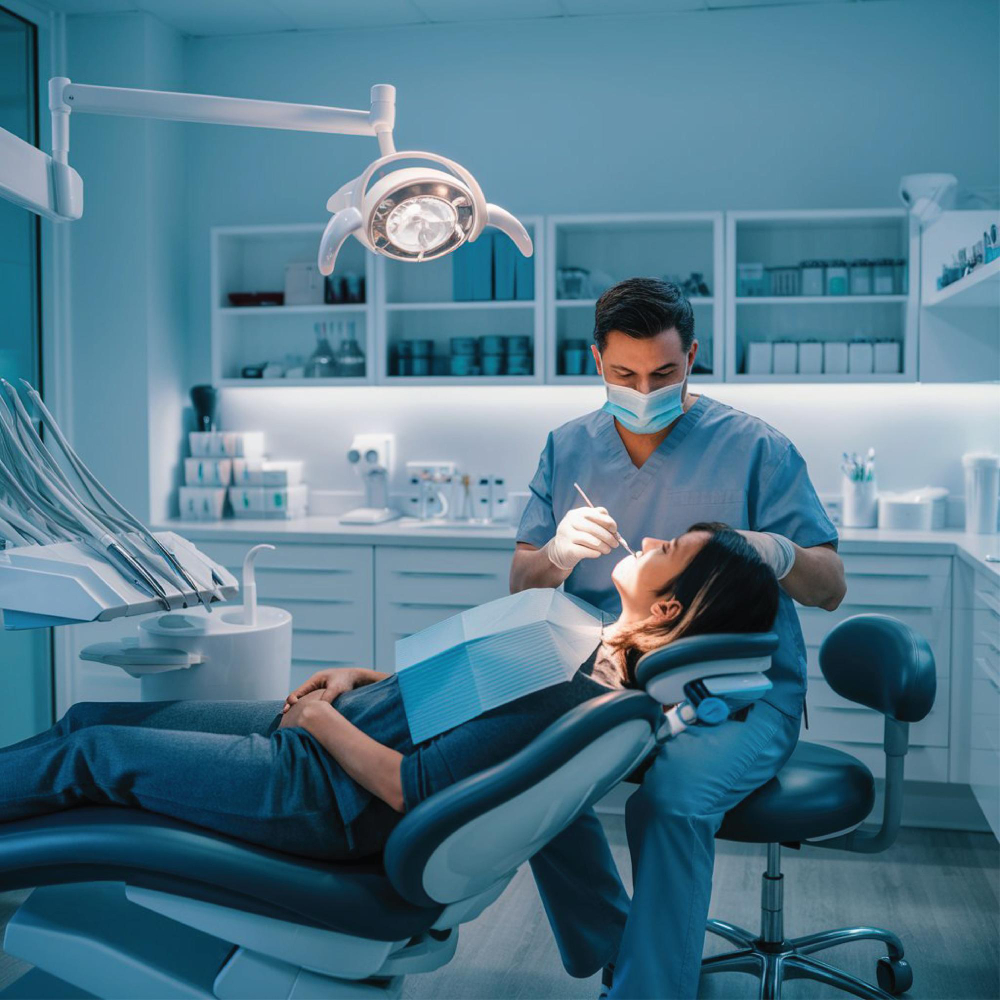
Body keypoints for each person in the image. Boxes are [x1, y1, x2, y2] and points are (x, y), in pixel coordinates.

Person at [0, 525, 776, 865]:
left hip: (321, 793)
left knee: (92, 754)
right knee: (88, 718)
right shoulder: (582, 639)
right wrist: (359, 682)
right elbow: (455, 704)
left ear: (669, 608)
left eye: (665, 551)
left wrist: (313, 717)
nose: (646, 543)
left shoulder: (572, 690)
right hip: (329, 736)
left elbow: (415, 786)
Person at [512, 277, 845, 999]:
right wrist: (558, 555)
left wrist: (780, 554)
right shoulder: (569, 447)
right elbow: (523, 581)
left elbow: (831, 586)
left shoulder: (755, 447)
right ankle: (621, 945)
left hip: (738, 697)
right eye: (626, 374)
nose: (645, 389)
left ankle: (649, 988)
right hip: (609, 681)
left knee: (669, 801)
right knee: (518, 762)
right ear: (595, 361)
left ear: (691, 356)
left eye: (664, 373)